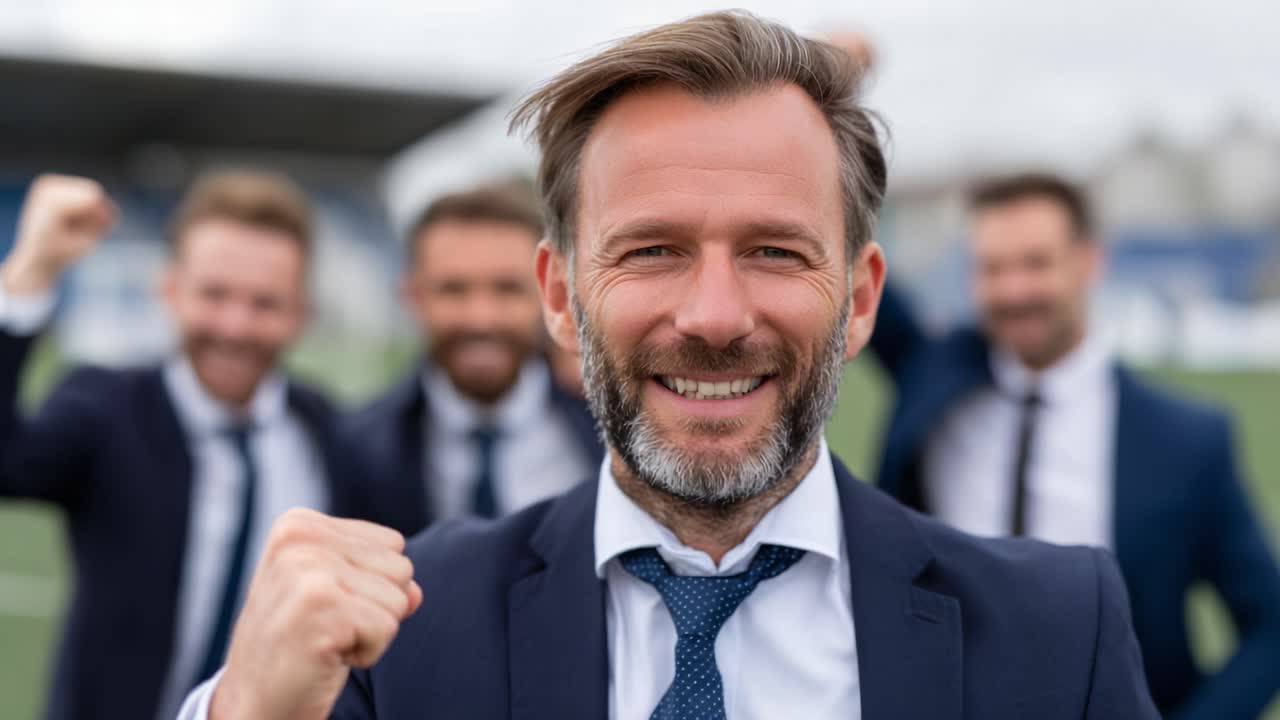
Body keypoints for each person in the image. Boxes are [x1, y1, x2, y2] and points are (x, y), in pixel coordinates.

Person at [181, 12, 1158, 719]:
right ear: (560, 297)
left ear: (859, 298)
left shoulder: (1056, 634)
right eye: (651, 250)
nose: (714, 316)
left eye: (774, 251)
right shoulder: (399, 639)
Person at [870, 173, 1280, 719]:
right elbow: (848, 245)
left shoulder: (1184, 440)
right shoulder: (934, 373)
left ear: (1089, 261)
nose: (1014, 290)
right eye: (993, 268)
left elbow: (1271, 625)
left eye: (1035, 263)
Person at [0, 171, 376, 720]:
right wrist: (31, 269)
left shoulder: (328, 433)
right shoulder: (108, 407)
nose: (234, 325)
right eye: (214, 294)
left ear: (301, 313)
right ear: (171, 290)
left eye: (265, 303)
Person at [345, 182, 602, 535]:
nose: (481, 318)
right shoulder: (357, 446)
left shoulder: (608, 426)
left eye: (507, 289)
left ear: (549, 292)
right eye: (454, 289)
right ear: (413, 296)